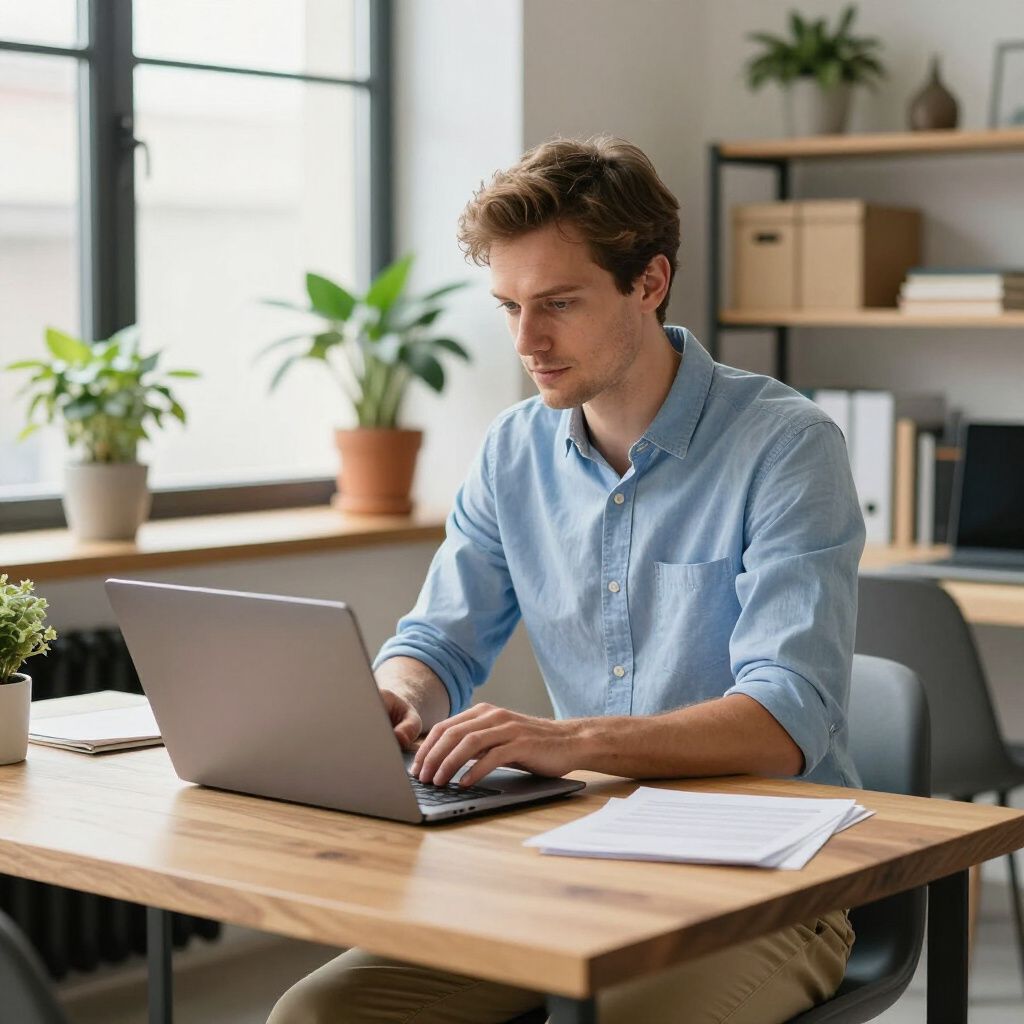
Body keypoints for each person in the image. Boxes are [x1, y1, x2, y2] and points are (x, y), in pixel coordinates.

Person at [268, 136, 864, 1024]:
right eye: (509, 305)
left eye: (557, 304)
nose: (526, 341)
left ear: (650, 282)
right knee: (318, 1016)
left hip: (771, 880)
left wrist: (568, 741)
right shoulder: (515, 450)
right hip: (574, 857)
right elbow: (435, 642)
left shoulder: (786, 446)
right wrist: (398, 695)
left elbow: (785, 719)